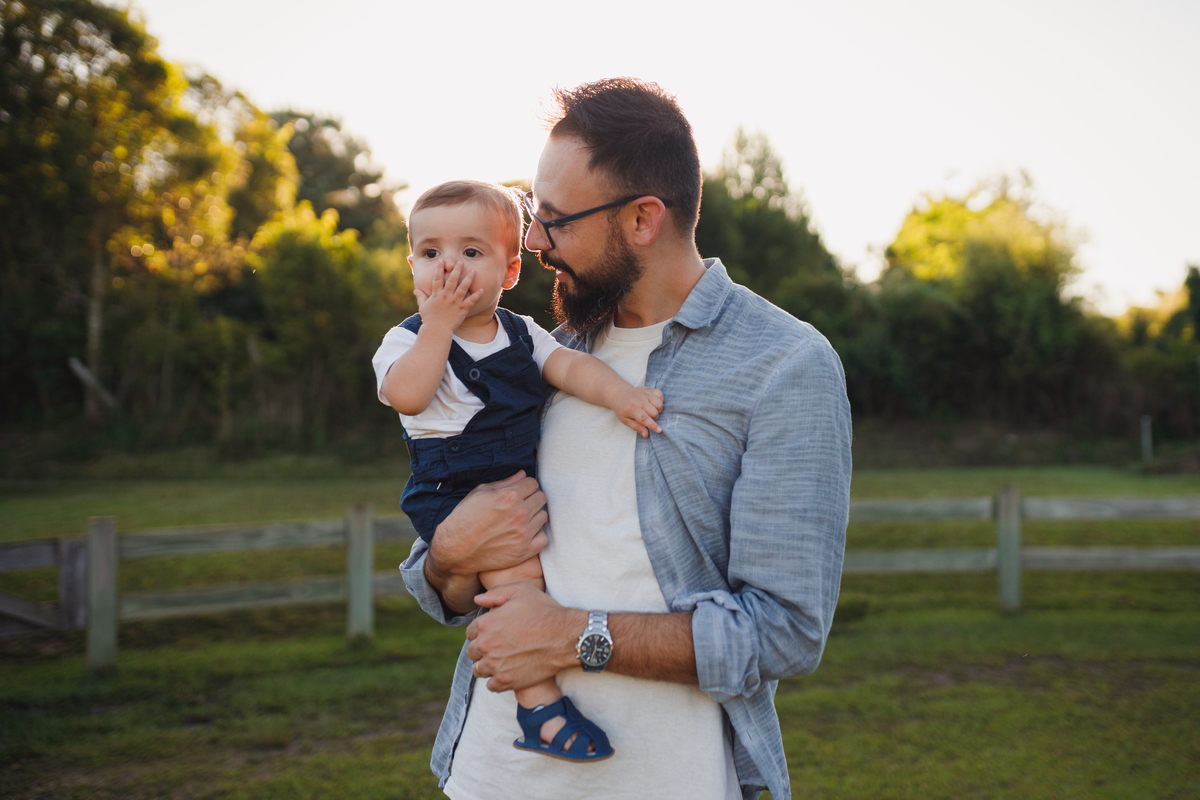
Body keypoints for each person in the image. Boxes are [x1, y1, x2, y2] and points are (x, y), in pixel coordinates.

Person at [399, 78, 852, 800]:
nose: (535, 244)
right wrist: (451, 551)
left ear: (643, 219)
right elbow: (444, 587)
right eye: (531, 213)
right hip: (489, 776)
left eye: (556, 220)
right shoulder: (539, 352)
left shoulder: (784, 367)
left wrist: (572, 635)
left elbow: (785, 633)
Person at [373, 180, 664, 762]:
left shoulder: (521, 332)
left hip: (508, 484)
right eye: (431, 254)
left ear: (509, 273)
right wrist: (437, 325)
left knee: (530, 571)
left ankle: (543, 693)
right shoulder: (405, 340)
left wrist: (620, 396)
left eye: (471, 253)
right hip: (449, 488)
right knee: (517, 579)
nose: (448, 267)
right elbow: (407, 395)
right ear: (412, 268)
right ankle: (539, 707)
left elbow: (573, 368)